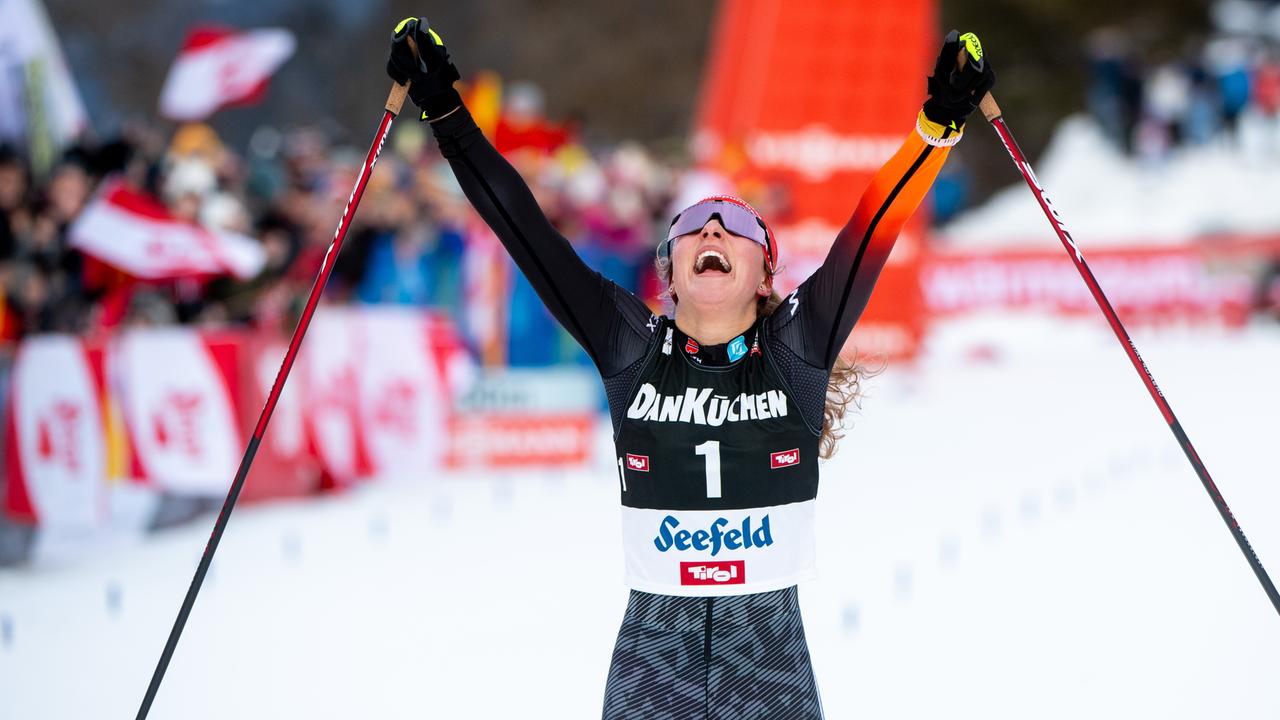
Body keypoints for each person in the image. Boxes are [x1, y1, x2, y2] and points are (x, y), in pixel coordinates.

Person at [387, 19, 994, 719]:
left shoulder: (796, 349)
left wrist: (939, 123)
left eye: (733, 225)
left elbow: (873, 224)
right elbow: (524, 229)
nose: (711, 229)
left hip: (769, 675)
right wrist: (445, 113)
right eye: (694, 226)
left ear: (766, 272)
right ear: (667, 270)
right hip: (651, 672)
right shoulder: (630, 347)